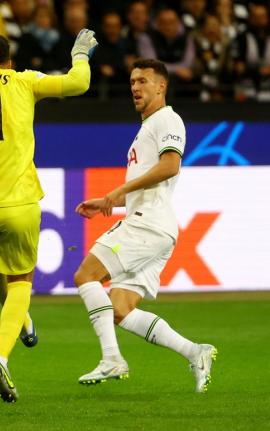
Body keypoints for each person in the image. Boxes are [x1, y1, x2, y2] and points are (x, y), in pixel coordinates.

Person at [0, 31, 97, 402]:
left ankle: (24, 323)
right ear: (10, 62)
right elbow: (79, 84)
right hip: (19, 204)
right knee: (21, 279)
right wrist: (79, 55)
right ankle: (0, 356)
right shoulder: (25, 80)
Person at [73, 58, 217, 393]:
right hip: (154, 224)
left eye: (143, 81)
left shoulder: (167, 119)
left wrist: (120, 190)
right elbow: (149, 183)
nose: (135, 87)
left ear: (161, 86)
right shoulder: (147, 127)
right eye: (132, 82)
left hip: (148, 224)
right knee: (120, 310)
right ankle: (195, 352)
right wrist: (110, 200)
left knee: (85, 276)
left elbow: (170, 166)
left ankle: (112, 359)